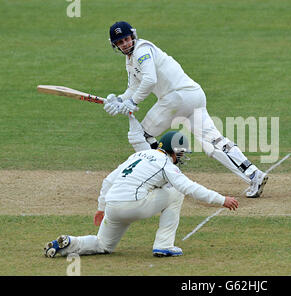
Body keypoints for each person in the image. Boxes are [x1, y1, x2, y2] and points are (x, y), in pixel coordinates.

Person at [103, 21, 268, 198]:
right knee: (213, 142)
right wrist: (120, 99)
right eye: (120, 42)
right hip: (193, 95)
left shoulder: (142, 50)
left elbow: (150, 80)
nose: (125, 44)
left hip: (176, 98)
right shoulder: (130, 61)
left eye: (126, 39)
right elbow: (133, 87)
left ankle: (164, 179)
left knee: (141, 135)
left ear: (133, 36)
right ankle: (253, 174)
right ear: (115, 46)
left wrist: (133, 102)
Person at [44, 127, 239, 258]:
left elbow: (108, 180)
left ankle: (69, 243)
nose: (182, 156)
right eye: (181, 152)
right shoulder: (165, 164)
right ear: (174, 150)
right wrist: (222, 199)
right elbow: (189, 187)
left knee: (103, 245)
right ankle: (164, 245)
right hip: (134, 205)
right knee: (177, 193)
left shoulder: (137, 155)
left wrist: (101, 208)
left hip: (112, 205)